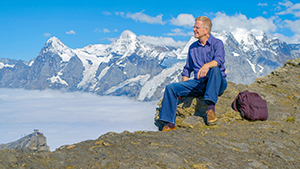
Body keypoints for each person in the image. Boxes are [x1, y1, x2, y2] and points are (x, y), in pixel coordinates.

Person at [157, 16, 227, 131]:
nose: (194, 30)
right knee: (171, 88)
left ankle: (210, 109)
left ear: (206, 30)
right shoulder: (193, 47)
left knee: (215, 69)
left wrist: (207, 65)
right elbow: (187, 69)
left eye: (197, 27)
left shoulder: (217, 43)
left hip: (217, 82)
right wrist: (183, 89)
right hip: (199, 83)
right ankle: (169, 123)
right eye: (194, 27)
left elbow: (219, 60)